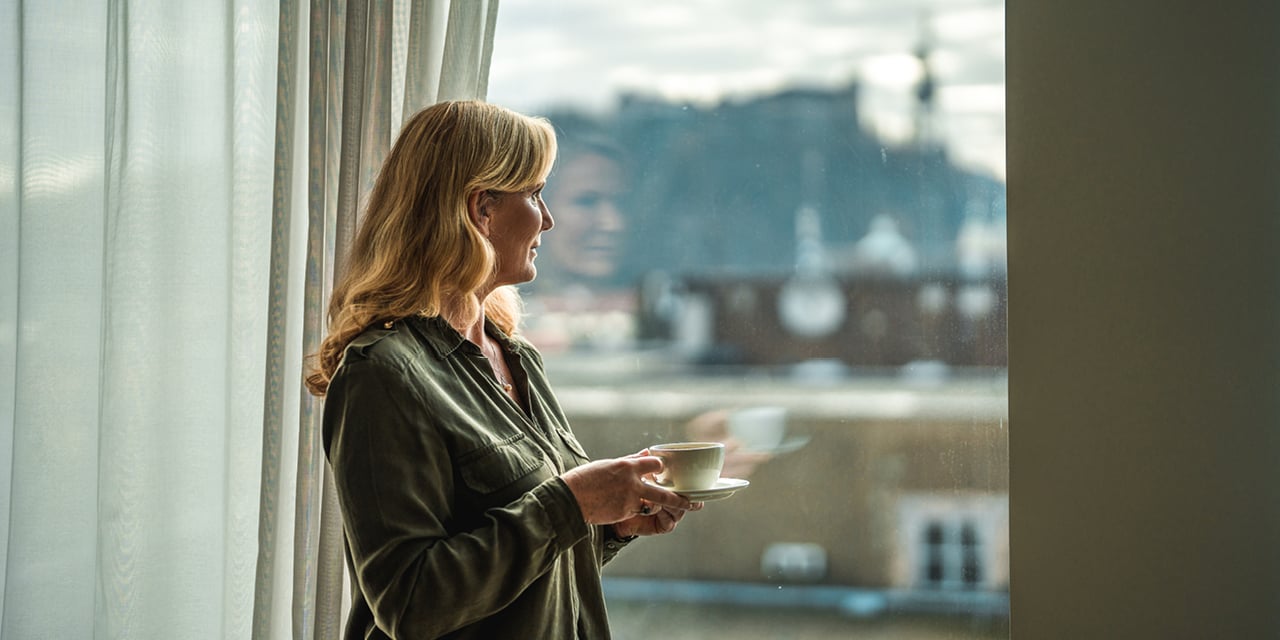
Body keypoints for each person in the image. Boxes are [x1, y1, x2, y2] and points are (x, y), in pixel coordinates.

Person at [304, 100, 697, 640]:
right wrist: (572, 503)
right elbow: (410, 603)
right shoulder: (383, 373)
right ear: (480, 210)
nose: (549, 219)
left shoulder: (517, 357)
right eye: (535, 194)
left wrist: (612, 520)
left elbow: (527, 566)